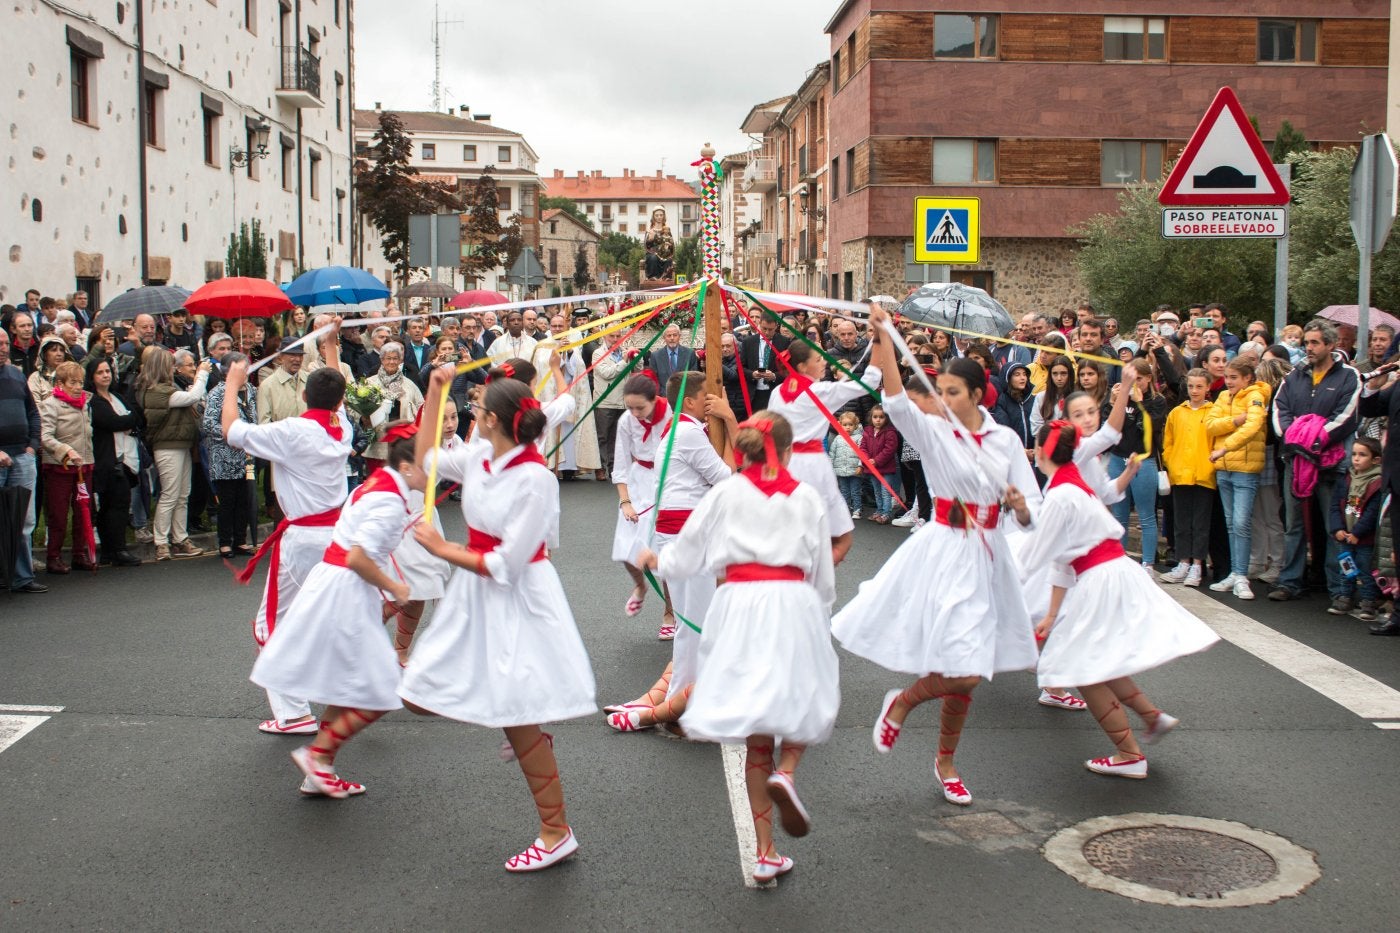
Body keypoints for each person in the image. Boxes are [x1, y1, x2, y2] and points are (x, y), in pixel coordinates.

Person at [834, 310, 1040, 806]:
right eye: (940, 390)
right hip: (946, 550)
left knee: (968, 670)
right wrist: (884, 335)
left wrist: (1019, 508)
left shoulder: (1005, 440)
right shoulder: (933, 432)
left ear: (977, 395)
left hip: (989, 557)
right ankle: (904, 708)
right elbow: (893, 396)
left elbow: (1032, 516)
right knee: (963, 666)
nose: (943, 399)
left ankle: (942, 757)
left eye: (952, 392)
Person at [634, 410, 838, 884]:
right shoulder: (806, 497)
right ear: (788, 452)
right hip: (791, 601)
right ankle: (788, 770)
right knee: (808, 694)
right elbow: (822, 574)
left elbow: (684, 557)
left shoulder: (724, 493)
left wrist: (654, 559)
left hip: (738, 606)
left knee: (755, 732)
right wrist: (817, 605)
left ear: (743, 451)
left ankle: (765, 852)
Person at [404, 373, 596, 873]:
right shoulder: (479, 454)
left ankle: (555, 831)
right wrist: (432, 393)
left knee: (510, 714)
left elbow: (509, 566)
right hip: (475, 591)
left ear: (492, 419)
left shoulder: (535, 479)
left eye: (478, 406)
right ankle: (516, 721)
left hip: (516, 594)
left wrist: (443, 549)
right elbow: (424, 462)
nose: (471, 410)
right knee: (416, 693)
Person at [1020, 419, 1219, 779]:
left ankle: (1129, 753)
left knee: (1084, 667)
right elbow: (1062, 559)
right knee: (1101, 657)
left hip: (1101, 579)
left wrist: (996, 586)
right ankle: (1150, 717)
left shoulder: (1061, 494)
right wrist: (1050, 614)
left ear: (1044, 451)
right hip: (1111, 574)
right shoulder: (1073, 486)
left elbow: (1035, 555)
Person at [252, 427, 419, 800]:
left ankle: (320, 768)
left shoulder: (378, 481)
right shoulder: (390, 500)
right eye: (429, 465)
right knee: (382, 690)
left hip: (337, 586)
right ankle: (318, 755)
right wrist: (395, 588)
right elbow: (359, 557)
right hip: (345, 591)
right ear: (407, 467)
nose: (436, 471)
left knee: (348, 683)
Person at [222, 326, 353, 736]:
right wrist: (332, 344)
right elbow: (341, 399)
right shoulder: (341, 429)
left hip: (301, 542)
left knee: (271, 624)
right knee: (321, 619)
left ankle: (294, 712)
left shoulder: (294, 431)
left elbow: (231, 431)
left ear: (302, 395)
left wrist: (232, 383)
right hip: (336, 539)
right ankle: (341, 692)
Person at [605, 372, 739, 733]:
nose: (710, 402)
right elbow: (727, 479)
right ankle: (680, 705)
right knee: (695, 625)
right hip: (687, 536)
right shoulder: (689, 431)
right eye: (706, 397)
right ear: (692, 401)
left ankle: (677, 696)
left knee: (692, 622)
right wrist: (728, 418)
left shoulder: (675, 429)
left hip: (679, 533)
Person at [1268, 321, 1361, 602]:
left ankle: (1340, 588)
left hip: (1331, 464)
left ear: (1331, 345)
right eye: (1306, 343)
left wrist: (1314, 440)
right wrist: (1295, 439)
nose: (1308, 348)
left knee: (1334, 528)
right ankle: (1290, 582)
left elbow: (1346, 417)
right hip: (1296, 462)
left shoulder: (1349, 376)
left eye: (1315, 343)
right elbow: (1279, 410)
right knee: (1293, 525)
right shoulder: (1293, 377)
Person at [766, 340, 882, 562]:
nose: (824, 364)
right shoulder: (820, 390)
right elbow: (870, 381)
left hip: (783, 462)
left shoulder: (778, 392)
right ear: (801, 367)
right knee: (825, 522)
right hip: (812, 464)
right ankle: (821, 566)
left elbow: (770, 428)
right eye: (818, 360)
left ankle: (793, 562)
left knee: (789, 519)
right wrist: (878, 342)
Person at [612, 372, 675, 637]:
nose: (635, 413)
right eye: (630, 407)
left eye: (641, 407)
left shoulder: (673, 416)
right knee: (627, 551)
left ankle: (670, 612)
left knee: (663, 554)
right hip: (638, 482)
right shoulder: (627, 420)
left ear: (654, 399)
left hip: (668, 481)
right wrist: (625, 502)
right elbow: (621, 463)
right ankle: (640, 586)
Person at [134, 347, 210, 561]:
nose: (172, 368)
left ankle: (180, 537)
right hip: (167, 447)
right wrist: (202, 373)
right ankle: (161, 542)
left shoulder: (164, 388)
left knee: (182, 493)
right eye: (169, 364)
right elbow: (193, 396)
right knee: (169, 494)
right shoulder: (157, 391)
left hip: (180, 444)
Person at [1204, 358, 1271, 601]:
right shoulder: (1223, 397)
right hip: (1223, 468)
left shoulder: (1255, 396)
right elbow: (1210, 425)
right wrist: (1234, 421)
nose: (1229, 381)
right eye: (1228, 377)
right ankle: (1234, 572)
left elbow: (1253, 425)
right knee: (1231, 523)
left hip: (1244, 468)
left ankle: (1242, 575)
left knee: (1242, 523)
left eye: (1234, 377)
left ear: (1247, 378)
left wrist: (1226, 447)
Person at [1105, 365, 1167, 569]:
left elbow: (1153, 426)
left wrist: (1140, 404)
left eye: (1140, 379)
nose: (1135, 383)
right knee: (1119, 514)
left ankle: (1148, 562)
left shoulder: (1157, 401)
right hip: (1118, 458)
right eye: (1131, 379)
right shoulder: (1122, 397)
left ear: (1149, 378)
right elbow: (1108, 428)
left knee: (1146, 515)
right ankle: (1119, 560)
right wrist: (1113, 402)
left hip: (1143, 460)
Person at [1159, 370, 1217, 587]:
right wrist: (1172, 463)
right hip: (1180, 473)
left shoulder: (1213, 412)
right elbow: (1168, 442)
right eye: (1191, 386)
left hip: (1203, 473)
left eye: (1199, 387)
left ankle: (1197, 564)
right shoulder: (1176, 412)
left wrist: (1211, 465)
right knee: (1181, 521)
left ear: (1207, 388)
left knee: (1200, 522)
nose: (1194, 391)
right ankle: (1183, 561)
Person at [39, 361, 96, 573]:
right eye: (73, 382)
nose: (78, 386)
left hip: (84, 464)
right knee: (59, 513)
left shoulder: (85, 403)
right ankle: (53, 556)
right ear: (61, 384)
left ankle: (79, 554)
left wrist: (87, 457)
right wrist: (65, 451)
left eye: (80, 382)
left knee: (83, 511)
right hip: (59, 466)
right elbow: (45, 436)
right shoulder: (51, 404)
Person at [85, 356, 142, 568]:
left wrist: (126, 420)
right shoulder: (94, 401)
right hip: (107, 460)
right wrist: (125, 421)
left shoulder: (116, 396)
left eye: (107, 371)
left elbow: (136, 416)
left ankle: (114, 549)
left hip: (125, 459)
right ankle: (115, 549)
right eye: (100, 372)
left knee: (120, 504)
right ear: (92, 376)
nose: (105, 375)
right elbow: (111, 422)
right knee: (112, 505)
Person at [0, 328, 45, 592]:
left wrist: (32, 445)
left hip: (22, 456)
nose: (3, 348)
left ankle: (22, 577)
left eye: (6, 343)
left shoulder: (17, 375)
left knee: (24, 521)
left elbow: (33, 413)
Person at [202, 354, 257, 559]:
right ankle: (225, 542)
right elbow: (208, 424)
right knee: (228, 501)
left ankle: (241, 540)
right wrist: (232, 433)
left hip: (246, 455)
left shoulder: (251, 390)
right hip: (225, 455)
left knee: (245, 499)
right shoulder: (218, 393)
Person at [1326, 437, 1385, 621]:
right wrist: (1337, 529)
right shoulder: (1347, 479)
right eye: (1354, 454)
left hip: (1364, 538)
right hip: (1345, 536)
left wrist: (1358, 533)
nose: (1356, 459)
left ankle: (1368, 601)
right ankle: (1345, 597)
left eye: (1362, 455)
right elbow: (1336, 505)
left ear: (1376, 460)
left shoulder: (1377, 482)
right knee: (1346, 567)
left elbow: (1372, 513)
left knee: (1365, 570)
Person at [362, 342, 423, 472]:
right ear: (382, 360)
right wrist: (364, 419)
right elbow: (357, 411)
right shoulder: (370, 383)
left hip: (401, 444)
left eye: (395, 358)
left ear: (400, 360)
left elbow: (421, 408)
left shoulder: (409, 384)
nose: (391, 362)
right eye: (388, 358)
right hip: (378, 443)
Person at [739, 312, 790, 410]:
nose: (766, 332)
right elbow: (740, 367)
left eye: (770, 329)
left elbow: (789, 369)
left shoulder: (784, 342)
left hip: (775, 393)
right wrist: (752, 374)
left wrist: (774, 376)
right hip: (754, 394)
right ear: (759, 324)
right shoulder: (748, 342)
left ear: (776, 326)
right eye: (764, 328)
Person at [859, 404, 899, 523]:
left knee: (885, 491)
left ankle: (886, 513)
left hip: (885, 468)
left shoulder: (890, 432)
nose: (878, 420)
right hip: (872, 468)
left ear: (886, 418)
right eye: (875, 417)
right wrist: (867, 460)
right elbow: (863, 447)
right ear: (871, 418)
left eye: (881, 417)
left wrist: (876, 460)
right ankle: (879, 510)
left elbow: (889, 449)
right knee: (877, 491)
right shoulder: (867, 431)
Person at [1030, 354, 1074, 439]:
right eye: (1055, 374)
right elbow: (1036, 427)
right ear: (1050, 375)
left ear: (1070, 374)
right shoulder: (1041, 397)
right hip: (1047, 446)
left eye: (1063, 373)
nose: (1059, 378)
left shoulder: (1077, 398)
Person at [829, 411, 864, 518]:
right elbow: (832, 453)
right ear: (840, 425)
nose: (848, 427)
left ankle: (857, 509)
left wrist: (860, 465)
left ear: (855, 425)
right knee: (844, 491)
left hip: (854, 470)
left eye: (850, 424)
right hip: (840, 470)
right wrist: (830, 467)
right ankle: (845, 508)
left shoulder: (859, 438)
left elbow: (863, 453)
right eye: (845, 425)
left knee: (855, 491)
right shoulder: (837, 438)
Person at [648, 323, 699, 389]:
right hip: (664, 396)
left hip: (684, 396)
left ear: (679, 336)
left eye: (675, 335)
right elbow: (653, 381)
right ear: (664, 338)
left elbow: (694, 378)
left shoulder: (689, 353)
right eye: (669, 335)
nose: (672, 338)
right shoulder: (655, 356)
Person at [27, 336, 69, 405]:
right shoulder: (36, 377)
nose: (59, 354)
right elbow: (34, 406)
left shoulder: (72, 376)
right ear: (45, 355)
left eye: (61, 350)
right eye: (54, 350)